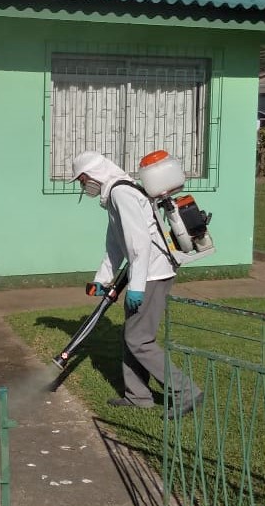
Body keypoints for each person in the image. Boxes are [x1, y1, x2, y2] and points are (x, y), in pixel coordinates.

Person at [69, 150, 203, 419]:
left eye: (83, 180)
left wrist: (137, 286)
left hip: (152, 274)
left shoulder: (122, 193)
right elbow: (115, 245)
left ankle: (186, 391)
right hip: (146, 272)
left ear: (94, 174)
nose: (84, 186)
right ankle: (138, 396)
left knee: (139, 339)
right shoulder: (115, 194)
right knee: (131, 336)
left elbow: (139, 242)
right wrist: (101, 279)